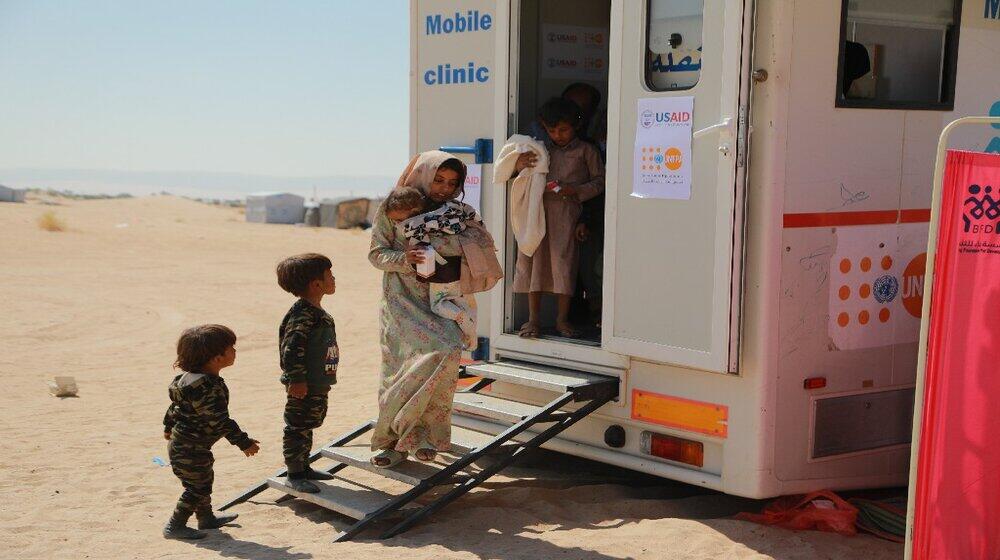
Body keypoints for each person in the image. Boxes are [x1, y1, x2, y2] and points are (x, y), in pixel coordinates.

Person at [368, 151, 469, 468]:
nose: (443, 188)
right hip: (400, 300)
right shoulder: (393, 208)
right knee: (401, 369)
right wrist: (404, 260)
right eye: (438, 180)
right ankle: (392, 442)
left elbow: (472, 247)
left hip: (442, 298)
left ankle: (428, 438)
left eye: (452, 183)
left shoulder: (456, 213)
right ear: (425, 176)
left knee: (448, 351)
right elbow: (375, 254)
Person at [513, 98, 605, 338]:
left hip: (567, 214)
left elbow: (601, 182)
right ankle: (533, 320)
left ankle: (561, 320)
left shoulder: (587, 151)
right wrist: (519, 164)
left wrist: (576, 191)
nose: (558, 135)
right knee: (534, 263)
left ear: (576, 125)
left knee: (564, 265)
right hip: (537, 211)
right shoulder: (542, 150)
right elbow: (519, 174)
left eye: (563, 129)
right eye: (551, 130)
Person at [162, 324, 260, 540]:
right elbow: (220, 421)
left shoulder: (183, 381)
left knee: (203, 481)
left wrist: (168, 428)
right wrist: (244, 443)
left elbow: (174, 408)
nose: (235, 351)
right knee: (197, 487)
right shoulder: (206, 389)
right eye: (231, 348)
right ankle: (175, 526)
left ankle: (206, 518)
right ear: (216, 358)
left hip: (187, 446)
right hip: (190, 449)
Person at [383, 185, 479, 350]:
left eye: (399, 219)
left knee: (439, 305)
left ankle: (462, 319)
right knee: (461, 300)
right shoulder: (445, 216)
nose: (397, 224)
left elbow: (423, 255)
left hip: (441, 277)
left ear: (413, 212)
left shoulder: (415, 226)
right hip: (459, 271)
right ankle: (471, 335)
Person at [276, 253, 339, 493]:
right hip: (304, 383)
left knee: (308, 424)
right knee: (297, 426)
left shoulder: (314, 311)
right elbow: (291, 348)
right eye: (330, 275)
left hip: (316, 382)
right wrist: (297, 379)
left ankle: (304, 467)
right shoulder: (303, 314)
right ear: (316, 284)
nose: (334, 279)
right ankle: (294, 474)